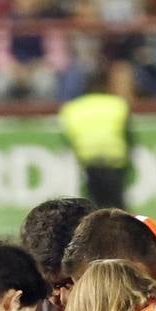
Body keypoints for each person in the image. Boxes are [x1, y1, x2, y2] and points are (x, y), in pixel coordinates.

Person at [57, 61, 134, 209]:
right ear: (106, 85)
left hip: (89, 162)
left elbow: (68, 138)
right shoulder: (118, 104)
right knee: (118, 206)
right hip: (115, 161)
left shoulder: (72, 108)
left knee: (93, 206)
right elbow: (128, 136)